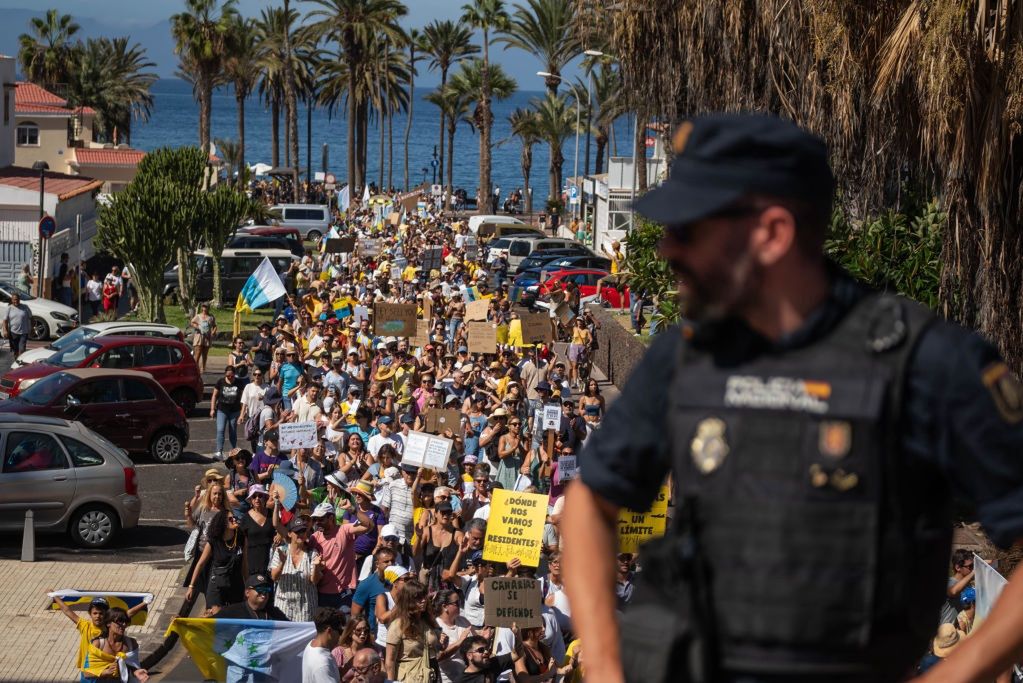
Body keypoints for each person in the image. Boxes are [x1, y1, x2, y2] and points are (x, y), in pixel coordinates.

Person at [562, 112, 1023, 683]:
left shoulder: (927, 364)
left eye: (689, 230)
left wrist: (957, 675)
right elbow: (587, 505)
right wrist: (606, 668)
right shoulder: (685, 357)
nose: (666, 251)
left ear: (773, 234)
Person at [309, 499, 373, 609]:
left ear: (331, 518)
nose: (317, 522)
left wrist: (352, 510)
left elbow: (368, 526)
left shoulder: (344, 530)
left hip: (345, 591)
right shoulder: (314, 537)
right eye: (315, 519)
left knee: (345, 624)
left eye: (320, 519)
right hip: (322, 592)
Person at [269, 510, 323, 622]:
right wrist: (282, 563)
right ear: (289, 533)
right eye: (297, 531)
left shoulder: (312, 553)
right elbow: (274, 577)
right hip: (283, 608)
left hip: (306, 609)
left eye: (303, 531)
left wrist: (317, 567)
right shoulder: (280, 550)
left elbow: (314, 581)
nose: (301, 534)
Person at [384, 578, 440, 683]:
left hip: (431, 674)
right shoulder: (397, 625)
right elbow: (390, 661)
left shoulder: (427, 621)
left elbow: (436, 647)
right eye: (418, 598)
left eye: (424, 596)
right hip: (409, 677)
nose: (423, 600)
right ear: (408, 600)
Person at [80, 607, 149, 681]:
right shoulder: (98, 644)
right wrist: (105, 672)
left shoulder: (131, 644)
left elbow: (131, 665)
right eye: (120, 621)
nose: (124, 624)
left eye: (125, 621)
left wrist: (136, 671)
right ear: (108, 623)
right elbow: (86, 673)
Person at [456, 630, 524, 683]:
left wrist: (517, 634)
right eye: (481, 650)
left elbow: (518, 653)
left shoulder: (493, 663)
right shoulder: (462, 680)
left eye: (486, 649)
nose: (486, 652)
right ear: (469, 656)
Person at [215, 573, 289, 621]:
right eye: (259, 589)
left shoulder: (275, 613)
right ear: (247, 593)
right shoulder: (232, 611)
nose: (264, 592)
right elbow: (209, 625)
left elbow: (291, 629)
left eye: (266, 589)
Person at [302, 607, 344, 683]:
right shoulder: (322, 664)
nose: (340, 636)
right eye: (340, 631)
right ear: (329, 631)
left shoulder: (311, 645)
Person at [210, 365, 242, 461]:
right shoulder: (220, 382)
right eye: (228, 376)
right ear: (225, 375)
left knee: (232, 430)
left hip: (234, 411)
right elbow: (214, 396)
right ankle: (219, 451)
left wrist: (243, 411)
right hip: (222, 410)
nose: (230, 378)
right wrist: (212, 409)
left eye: (232, 376)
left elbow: (244, 396)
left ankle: (233, 451)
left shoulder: (238, 383)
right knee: (220, 429)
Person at [189, 303, 217, 374]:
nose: (204, 308)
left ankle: (203, 368)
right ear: (202, 308)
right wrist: (197, 326)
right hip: (199, 336)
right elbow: (192, 322)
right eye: (203, 306)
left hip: (207, 337)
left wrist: (213, 331)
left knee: (205, 354)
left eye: (206, 307)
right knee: (197, 353)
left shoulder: (211, 317)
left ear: (208, 308)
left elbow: (214, 326)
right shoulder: (198, 316)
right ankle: (195, 368)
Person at [3, 292, 30, 356]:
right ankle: (16, 362)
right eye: (14, 299)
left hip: (24, 332)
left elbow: (31, 318)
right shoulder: (9, 308)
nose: (16, 301)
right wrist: (5, 330)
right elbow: (5, 320)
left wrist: (32, 329)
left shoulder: (25, 307)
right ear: (12, 300)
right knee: (15, 350)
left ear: (19, 299)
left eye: (17, 299)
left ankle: (20, 363)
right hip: (13, 333)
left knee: (22, 349)